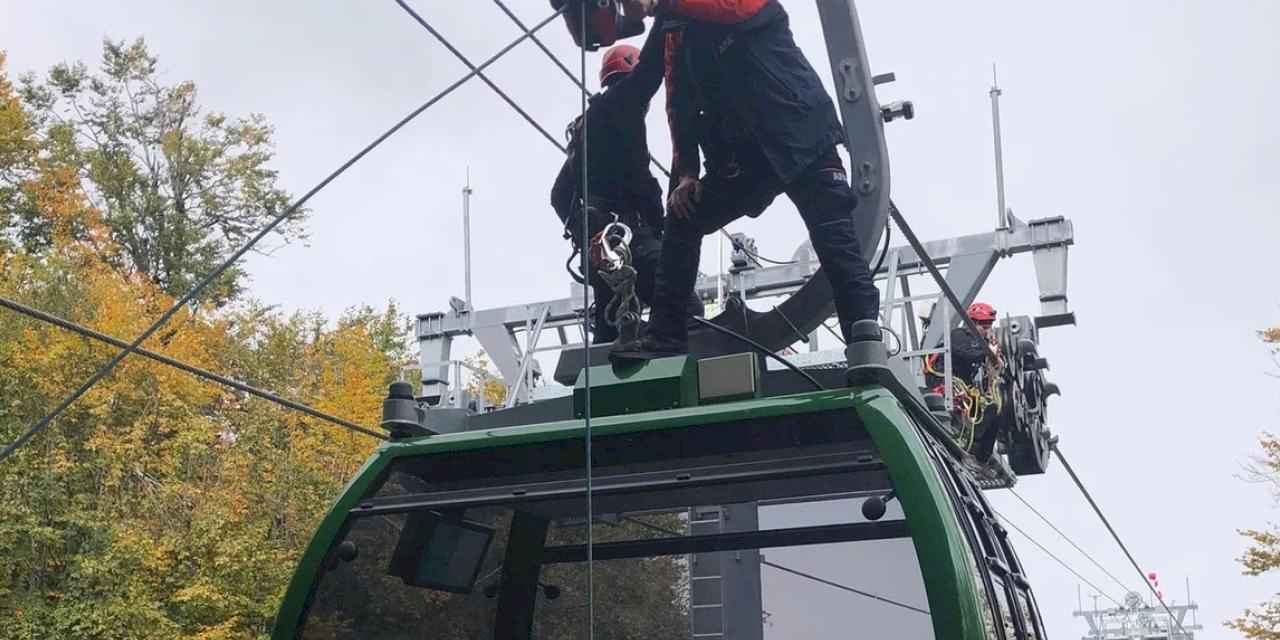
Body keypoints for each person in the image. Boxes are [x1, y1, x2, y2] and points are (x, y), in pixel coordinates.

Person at [610, 0, 881, 359]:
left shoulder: (687, 12)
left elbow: (735, 9)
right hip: (746, 158)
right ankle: (666, 338)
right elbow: (679, 102)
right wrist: (687, 172)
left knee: (834, 238)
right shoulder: (674, 29)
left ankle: (864, 339)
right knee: (683, 216)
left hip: (800, 136)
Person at [550, 37, 702, 344]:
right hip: (632, 241)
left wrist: (587, 232)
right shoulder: (623, 107)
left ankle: (618, 364)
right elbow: (640, 183)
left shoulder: (586, 129)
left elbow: (559, 195)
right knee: (686, 309)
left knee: (610, 330)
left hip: (603, 250)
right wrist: (661, 224)